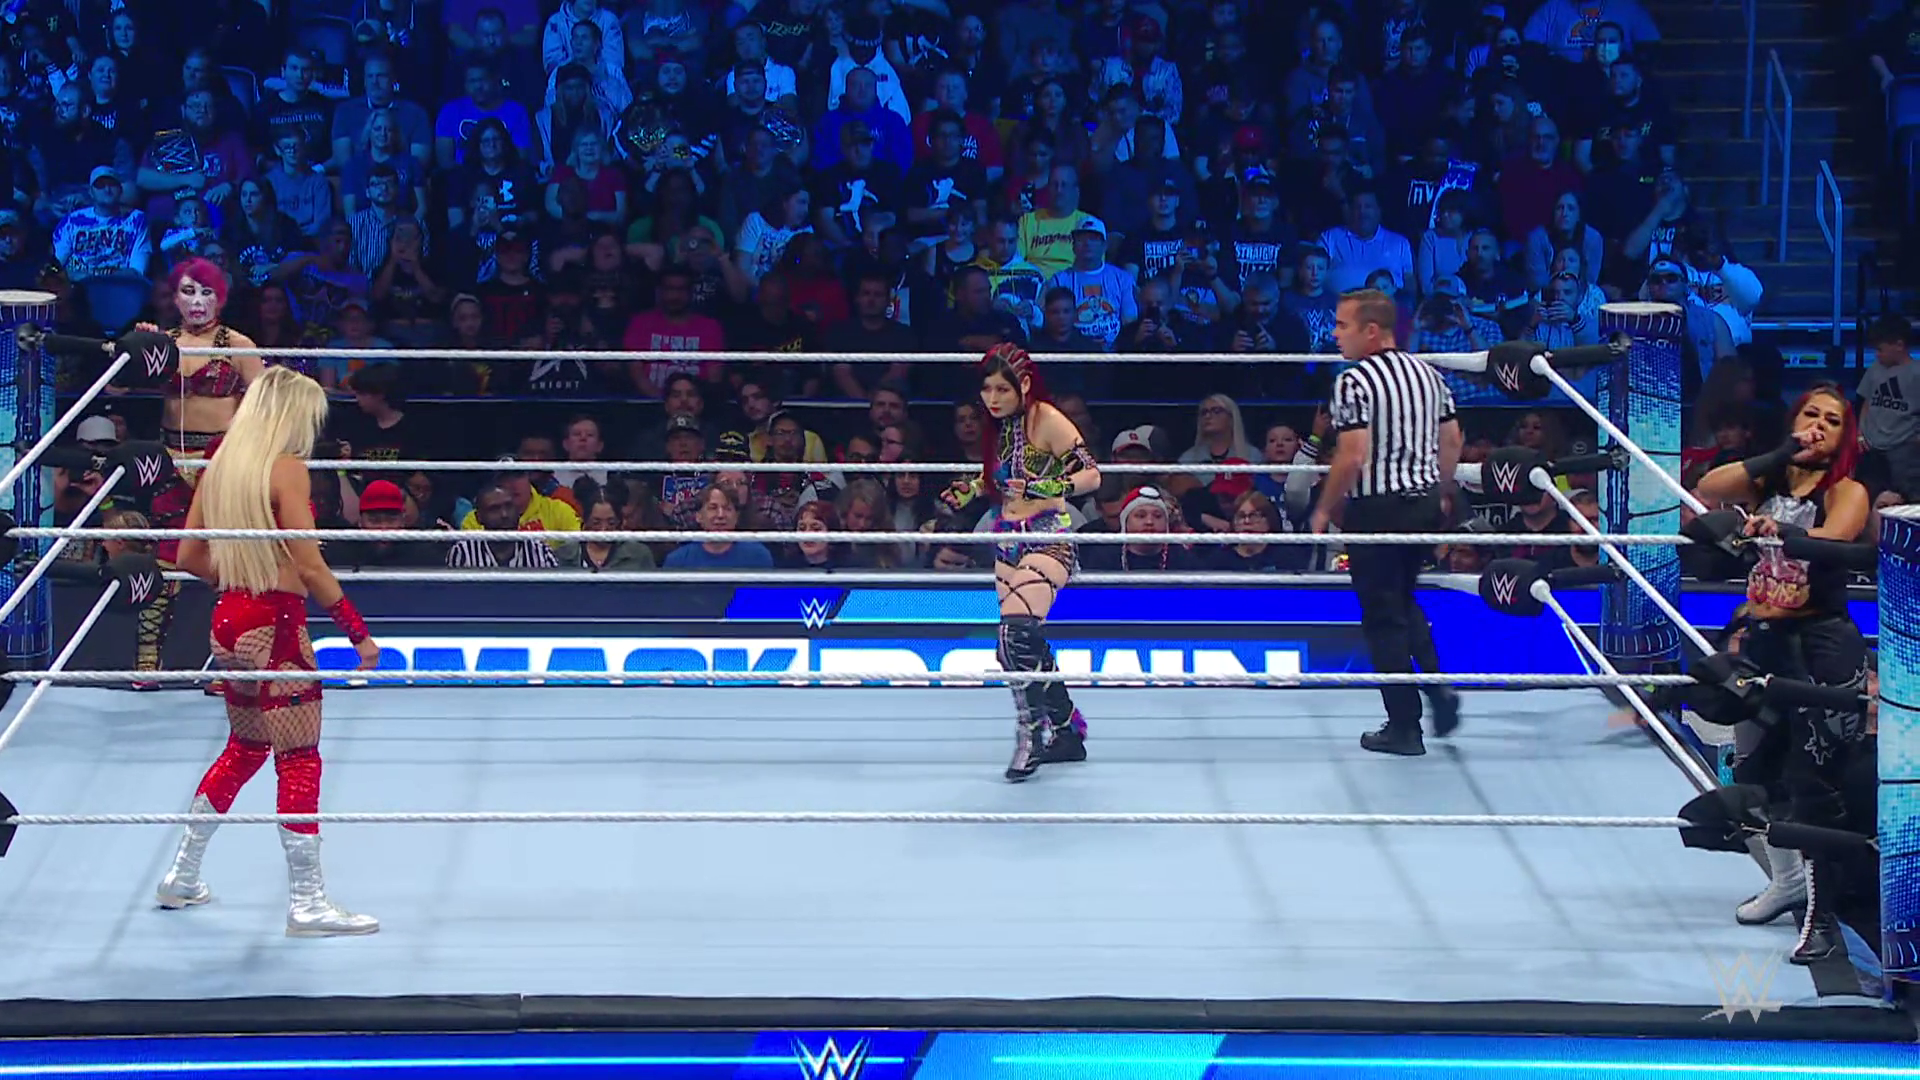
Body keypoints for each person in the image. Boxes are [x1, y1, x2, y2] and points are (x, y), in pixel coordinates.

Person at [158, 366, 382, 937]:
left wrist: (243, 581)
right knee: (299, 758)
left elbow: (187, 557)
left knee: (244, 748)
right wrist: (357, 632)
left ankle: (181, 876)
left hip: (227, 622)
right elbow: (310, 565)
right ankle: (308, 903)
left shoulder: (219, 467)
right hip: (275, 628)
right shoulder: (286, 469)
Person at [1693, 383, 1870, 964]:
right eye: (1810, 414)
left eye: (1832, 421)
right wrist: (1780, 455)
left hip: (1820, 647)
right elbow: (1709, 488)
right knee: (1753, 772)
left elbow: (1837, 538)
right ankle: (1789, 882)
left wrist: (1782, 532)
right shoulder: (1767, 483)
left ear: (1845, 437)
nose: (1819, 425)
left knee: (1813, 785)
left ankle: (1823, 921)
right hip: (1764, 642)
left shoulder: (1846, 490)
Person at [1311, 288, 1464, 756]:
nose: (1335, 334)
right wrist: (1439, 490)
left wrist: (1324, 508)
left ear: (1372, 331)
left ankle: (1404, 727)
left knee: (1382, 617)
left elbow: (1352, 454)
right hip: (1422, 504)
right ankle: (1437, 689)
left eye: (1343, 325)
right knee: (1401, 599)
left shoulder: (1354, 381)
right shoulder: (1429, 374)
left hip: (1377, 509)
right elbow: (1453, 442)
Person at [941, 343, 1101, 781]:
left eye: (1001, 390)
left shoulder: (1046, 419)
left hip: (1048, 536)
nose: (991, 399)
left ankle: (1033, 735)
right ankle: (1067, 731)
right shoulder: (1001, 428)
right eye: (986, 389)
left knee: (1015, 635)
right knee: (1017, 646)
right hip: (1007, 539)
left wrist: (1046, 487)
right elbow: (1001, 477)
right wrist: (972, 490)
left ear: (1024, 385)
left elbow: (1091, 474)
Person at [136, 258, 267, 682]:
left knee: (228, 564)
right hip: (170, 459)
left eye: (206, 292)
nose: (197, 301)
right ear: (174, 298)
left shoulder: (239, 345)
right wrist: (137, 342)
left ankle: (229, 667)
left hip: (221, 461)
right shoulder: (163, 343)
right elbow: (120, 380)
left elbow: (265, 408)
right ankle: (147, 662)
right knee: (163, 560)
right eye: (188, 291)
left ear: (220, 298)